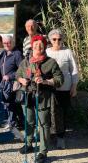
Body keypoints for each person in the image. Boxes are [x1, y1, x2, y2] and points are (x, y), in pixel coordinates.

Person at [16, 35, 64, 163]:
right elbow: (18, 74)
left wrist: (46, 81)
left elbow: (60, 79)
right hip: (28, 96)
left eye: (40, 44)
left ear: (44, 46)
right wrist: (22, 80)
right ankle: (29, 144)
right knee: (29, 121)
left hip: (43, 97)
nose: (38, 46)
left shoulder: (51, 62)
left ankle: (43, 152)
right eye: (35, 44)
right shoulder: (26, 61)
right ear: (32, 46)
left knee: (43, 125)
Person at [46, 29, 79, 149]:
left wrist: (74, 87)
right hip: (49, 87)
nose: (57, 41)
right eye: (54, 39)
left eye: (59, 39)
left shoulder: (68, 52)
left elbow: (74, 70)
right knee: (49, 113)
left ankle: (61, 138)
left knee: (62, 113)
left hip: (65, 88)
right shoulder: (46, 51)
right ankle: (48, 136)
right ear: (50, 40)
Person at [0, 35, 23, 131]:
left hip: (13, 83)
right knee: (9, 103)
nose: (7, 44)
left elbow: (21, 70)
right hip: (5, 83)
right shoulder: (4, 53)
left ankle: (13, 122)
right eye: (5, 43)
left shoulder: (17, 54)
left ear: (13, 42)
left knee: (12, 103)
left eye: (9, 42)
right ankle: (15, 121)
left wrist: (10, 76)